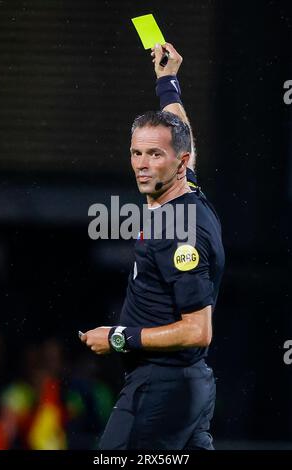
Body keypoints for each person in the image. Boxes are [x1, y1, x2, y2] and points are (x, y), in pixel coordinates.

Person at [80, 43, 225, 450]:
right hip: (185, 386)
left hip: (163, 387)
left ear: (178, 164)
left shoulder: (178, 231)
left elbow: (198, 330)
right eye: (137, 153)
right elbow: (183, 137)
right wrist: (168, 83)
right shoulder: (186, 190)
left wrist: (120, 338)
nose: (142, 164)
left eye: (154, 154)